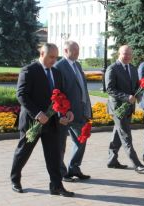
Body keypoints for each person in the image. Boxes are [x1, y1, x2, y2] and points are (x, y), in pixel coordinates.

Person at [10, 43, 74, 197]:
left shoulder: (57, 73)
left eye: (56, 57)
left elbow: (61, 96)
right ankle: (15, 180)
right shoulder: (29, 70)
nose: (54, 60)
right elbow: (22, 95)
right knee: (23, 152)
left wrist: (67, 112)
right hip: (33, 122)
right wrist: (37, 114)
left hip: (52, 122)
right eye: (51, 57)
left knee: (54, 155)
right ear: (42, 53)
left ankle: (56, 186)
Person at [105, 45, 144, 172]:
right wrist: (125, 97)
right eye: (125, 53)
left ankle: (112, 160)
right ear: (119, 54)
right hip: (118, 108)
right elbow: (109, 89)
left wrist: (139, 94)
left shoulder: (133, 68)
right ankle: (136, 164)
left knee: (118, 134)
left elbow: (136, 87)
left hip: (129, 107)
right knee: (126, 135)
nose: (128, 56)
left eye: (130, 54)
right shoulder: (112, 68)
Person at [55, 40, 92, 181]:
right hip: (65, 113)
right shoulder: (59, 67)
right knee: (60, 145)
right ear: (65, 51)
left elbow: (82, 88)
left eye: (78, 50)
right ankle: (62, 173)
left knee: (81, 139)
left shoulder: (77, 65)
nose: (77, 53)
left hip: (80, 110)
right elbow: (58, 92)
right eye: (74, 50)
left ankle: (74, 168)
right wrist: (63, 112)